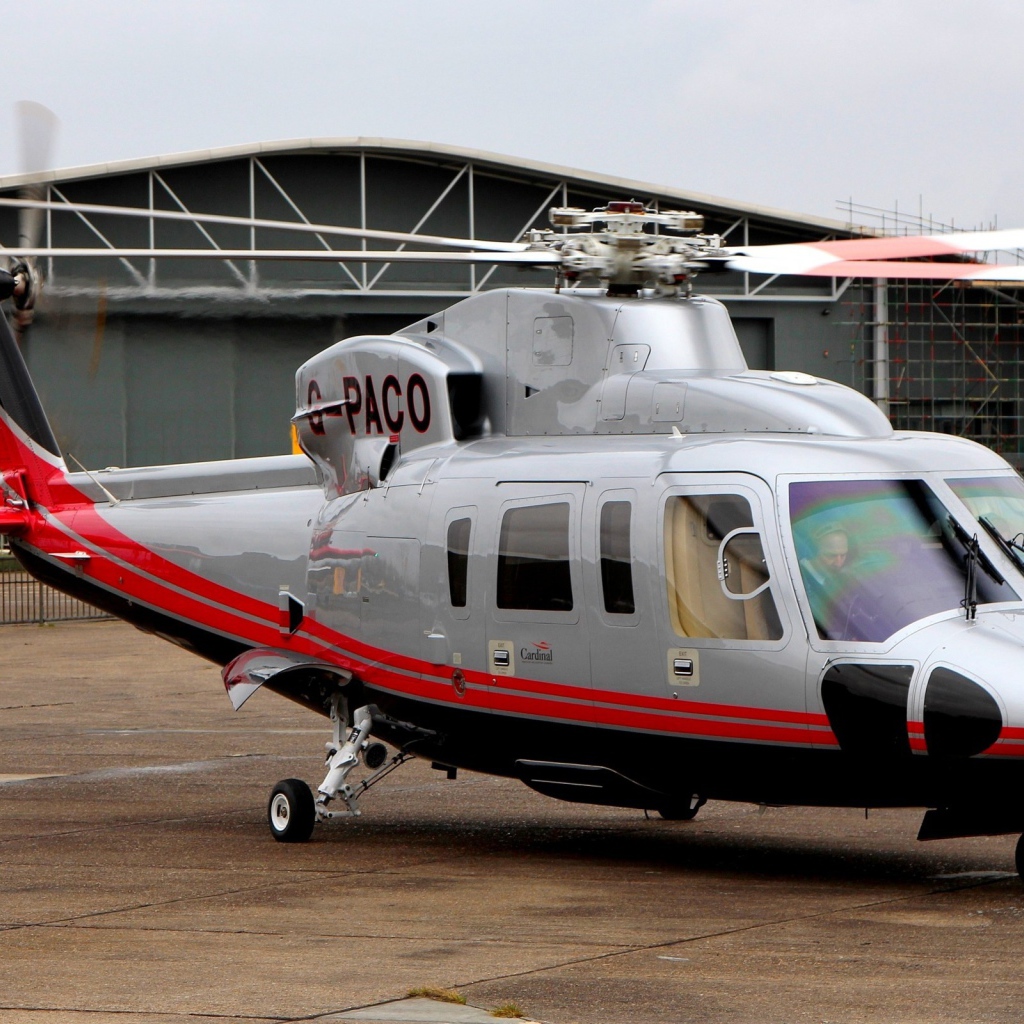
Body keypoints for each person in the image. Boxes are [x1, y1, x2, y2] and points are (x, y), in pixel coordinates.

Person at [799, 525, 852, 639]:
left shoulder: (842, 579)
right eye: (831, 556)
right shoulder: (796, 578)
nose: (838, 563)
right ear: (812, 552)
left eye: (843, 555)